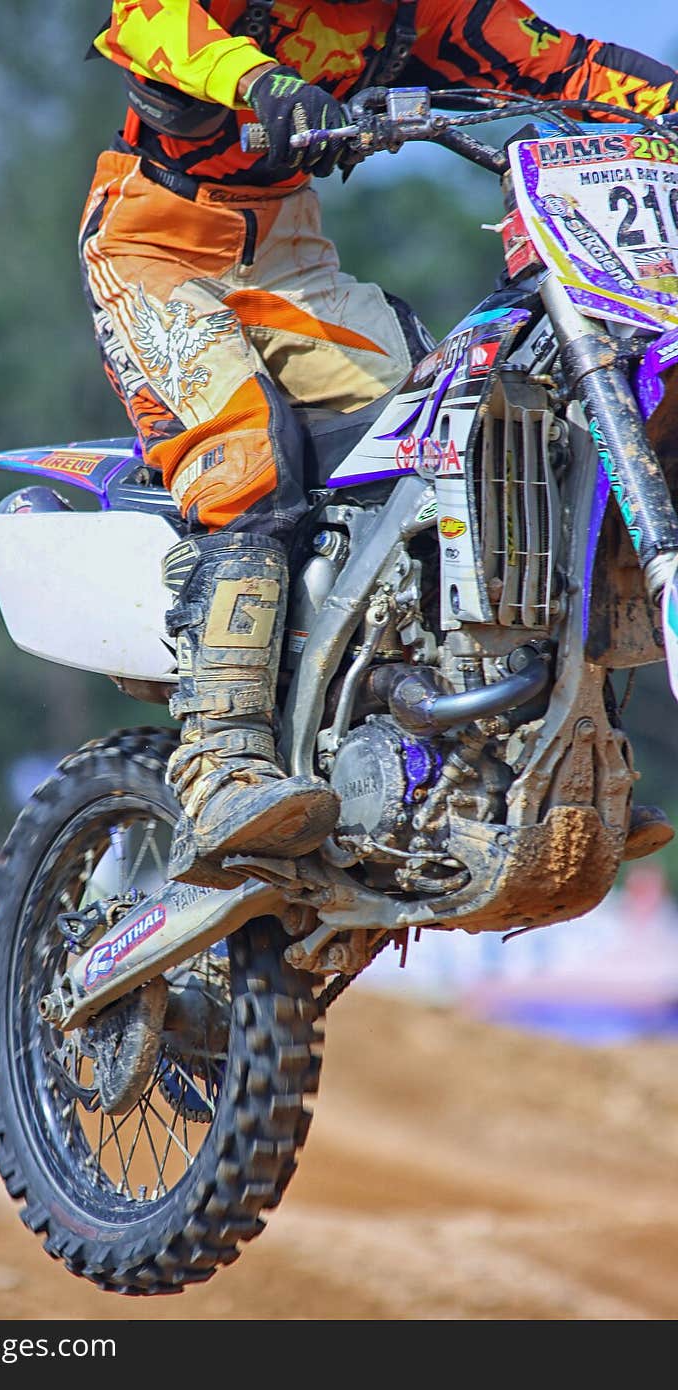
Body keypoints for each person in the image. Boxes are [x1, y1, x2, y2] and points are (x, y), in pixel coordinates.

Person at [80, 1, 678, 886]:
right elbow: (145, 20)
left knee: (453, 437)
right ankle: (222, 761)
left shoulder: (414, 11)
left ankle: (495, 742)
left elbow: (563, 63)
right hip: (155, 246)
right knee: (248, 459)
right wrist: (262, 83)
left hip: (290, 260)